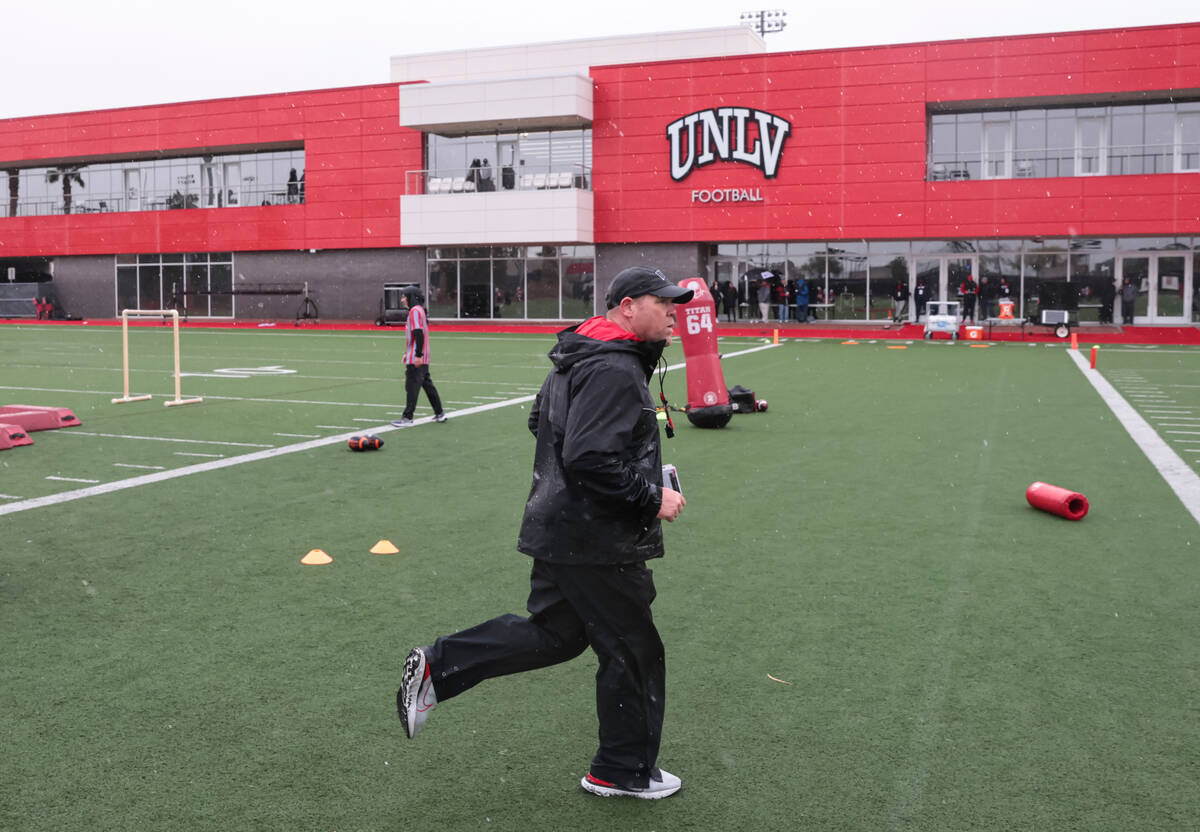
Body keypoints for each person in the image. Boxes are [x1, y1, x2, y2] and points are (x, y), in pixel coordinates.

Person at [396, 266, 691, 800]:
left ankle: (440, 666)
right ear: (627, 306)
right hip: (595, 539)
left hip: (562, 526)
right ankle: (620, 771)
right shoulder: (614, 368)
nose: (675, 312)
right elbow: (588, 456)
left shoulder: (581, 354)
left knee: (558, 635)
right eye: (663, 302)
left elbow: (544, 424)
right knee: (633, 651)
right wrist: (651, 495)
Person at [391, 290, 447, 427]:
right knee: (427, 385)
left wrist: (417, 355)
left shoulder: (414, 311)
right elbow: (416, 335)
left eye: (404, 297)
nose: (402, 300)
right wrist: (408, 352)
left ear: (411, 297)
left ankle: (407, 417)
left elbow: (418, 333)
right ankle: (439, 413)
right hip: (422, 355)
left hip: (418, 357)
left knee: (411, 386)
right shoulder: (419, 310)